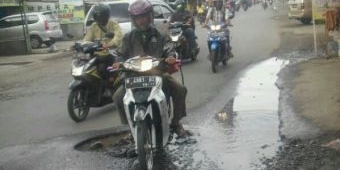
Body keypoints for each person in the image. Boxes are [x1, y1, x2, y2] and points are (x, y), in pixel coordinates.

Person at [112, 0, 190, 138]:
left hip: (157, 73)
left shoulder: (160, 35)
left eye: (143, 16)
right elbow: (120, 54)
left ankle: (176, 122)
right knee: (118, 97)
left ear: (150, 16)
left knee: (180, 89)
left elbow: (169, 48)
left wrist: (170, 57)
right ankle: (130, 127)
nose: (141, 20)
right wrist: (118, 62)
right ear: (133, 20)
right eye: (137, 18)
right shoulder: (128, 37)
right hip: (133, 75)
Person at [83, 3, 123, 96]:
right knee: (87, 66)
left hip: (112, 53)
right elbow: (87, 38)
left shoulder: (114, 24)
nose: (99, 19)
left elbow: (118, 38)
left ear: (106, 16)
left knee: (105, 69)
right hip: (98, 54)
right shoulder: (94, 26)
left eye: (101, 16)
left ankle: (109, 87)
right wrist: (82, 45)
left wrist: (109, 44)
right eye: (97, 16)